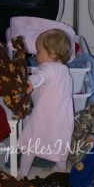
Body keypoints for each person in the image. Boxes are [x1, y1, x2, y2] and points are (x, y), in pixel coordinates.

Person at [17, 28, 74, 177]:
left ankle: (23, 173)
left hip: (44, 117)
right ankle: (62, 168)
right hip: (62, 119)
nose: (36, 55)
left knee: (31, 142)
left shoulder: (49, 67)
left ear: (52, 54)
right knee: (59, 143)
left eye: (38, 51)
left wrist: (30, 82)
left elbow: (41, 76)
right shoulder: (64, 70)